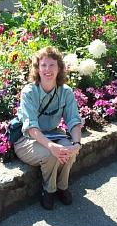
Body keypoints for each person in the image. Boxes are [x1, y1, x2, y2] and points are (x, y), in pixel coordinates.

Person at [13, 46, 83, 210]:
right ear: (37, 69)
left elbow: (74, 120)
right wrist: (51, 146)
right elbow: (31, 128)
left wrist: (77, 144)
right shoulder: (29, 92)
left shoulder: (66, 92)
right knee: (50, 153)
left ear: (59, 68)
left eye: (52, 65)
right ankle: (48, 190)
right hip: (26, 139)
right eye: (43, 65)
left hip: (52, 134)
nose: (47, 70)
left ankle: (62, 186)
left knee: (68, 150)